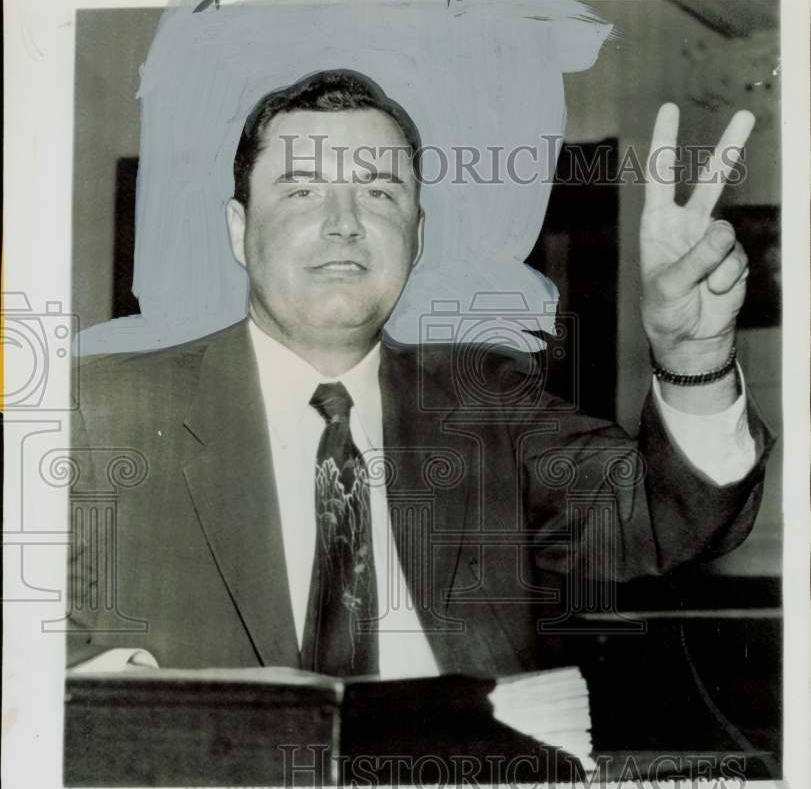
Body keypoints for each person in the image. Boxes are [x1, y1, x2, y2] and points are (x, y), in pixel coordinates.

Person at [66, 70, 773, 678]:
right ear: (236, 229)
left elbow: (662, 518)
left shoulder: (484, 402)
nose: (343, 222)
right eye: (301, 190)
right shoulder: (95, 413)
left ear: (417, 233)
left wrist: (691, 355)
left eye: (378, 193)